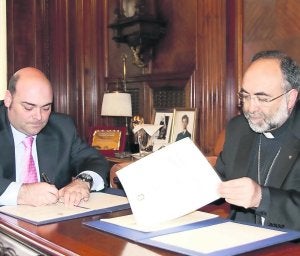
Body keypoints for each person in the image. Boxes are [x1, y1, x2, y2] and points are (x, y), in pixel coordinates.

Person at [0, 67, 109, 207]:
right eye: (28, 107)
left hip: (52, 220)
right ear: (9, 99)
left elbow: (93, 159)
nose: (38, 117)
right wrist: (21, 193)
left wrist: (82, 181)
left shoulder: (62, 127)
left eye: (46, 108)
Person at [217, 50, 300, 231]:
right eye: (245, 96)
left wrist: (261, 198)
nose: (250, 108)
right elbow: (219, 182)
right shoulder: (238, 128)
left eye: (262, 98)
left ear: (290, 98)